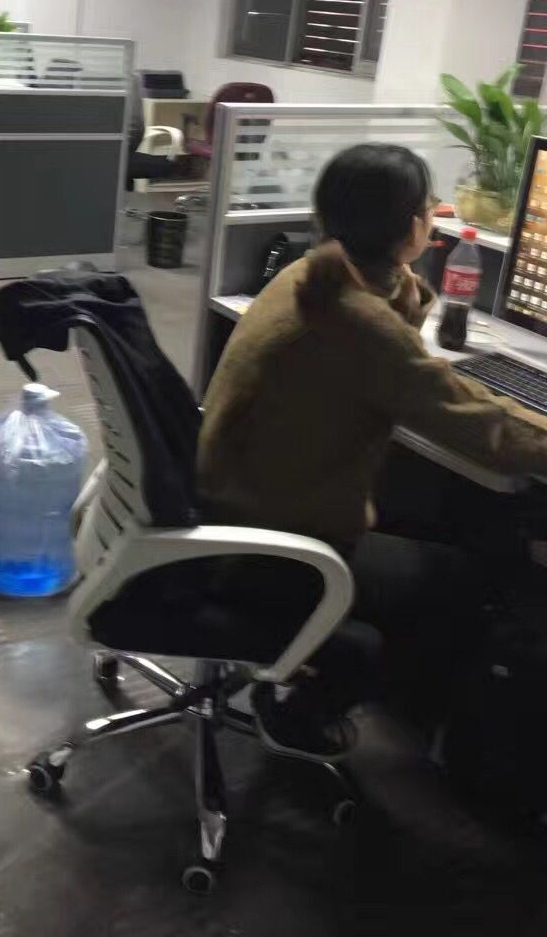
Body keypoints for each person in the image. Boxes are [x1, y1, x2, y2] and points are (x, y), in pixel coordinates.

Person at [197, 143, 547, 758]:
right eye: (429, 210)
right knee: (464, 578)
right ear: (412, 228)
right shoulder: (356, 322)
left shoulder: (311, 276)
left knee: (424, 521)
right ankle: (320, 706)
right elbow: (482, 427)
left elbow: (398, 356)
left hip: (234, 507)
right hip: (272, 546)